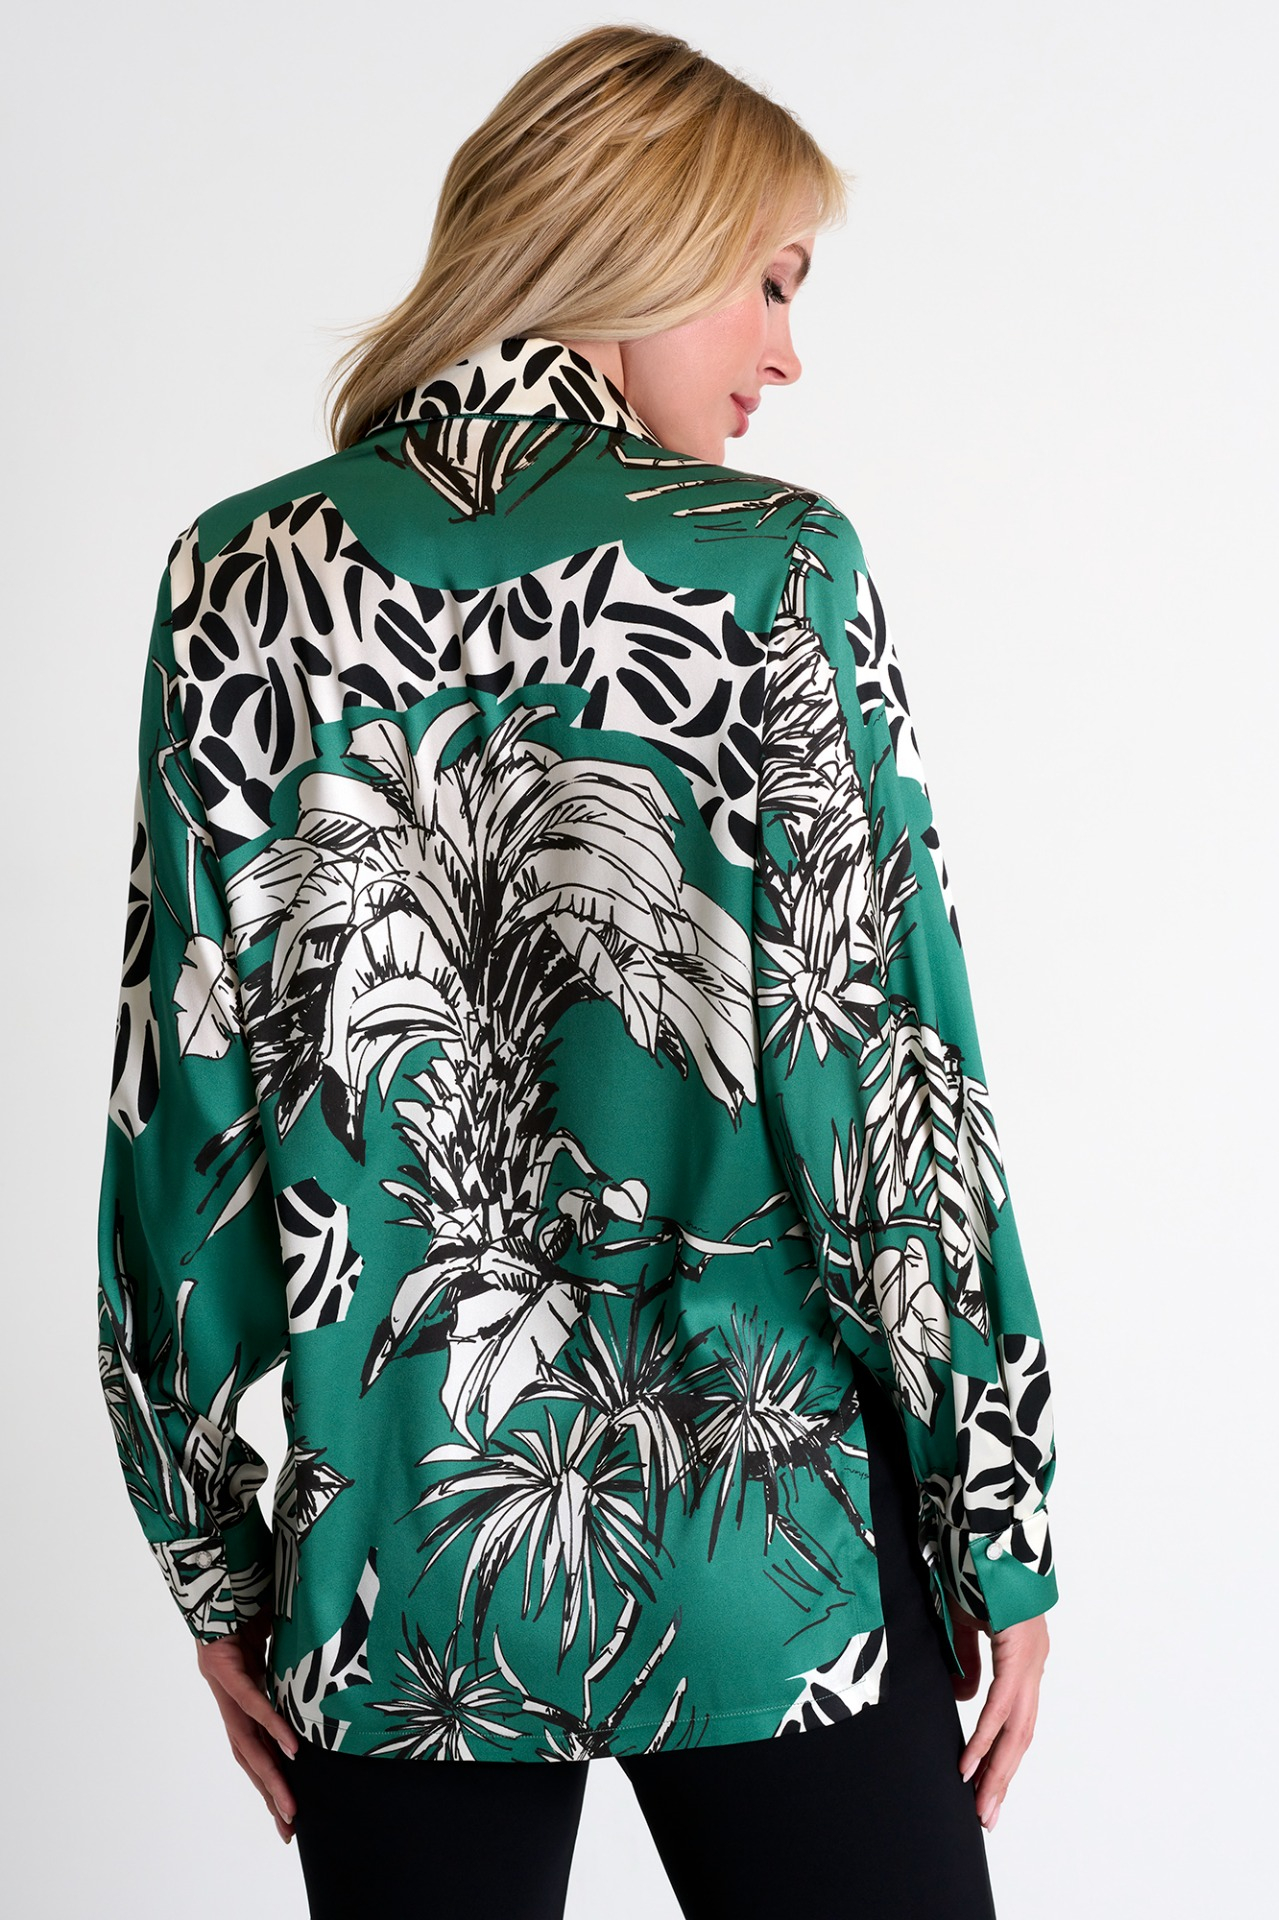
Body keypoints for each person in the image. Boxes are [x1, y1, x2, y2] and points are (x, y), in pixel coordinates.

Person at [95, 24, 1060, 1919]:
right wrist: (997, 1517)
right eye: (771, 282)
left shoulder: (232, 577)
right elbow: (886, 1084)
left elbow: (179, 1113)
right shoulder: (773, 570)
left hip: (398, 1555)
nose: (788, 353)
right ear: (638, 242)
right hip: (767, 1536)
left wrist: (212, 1557)